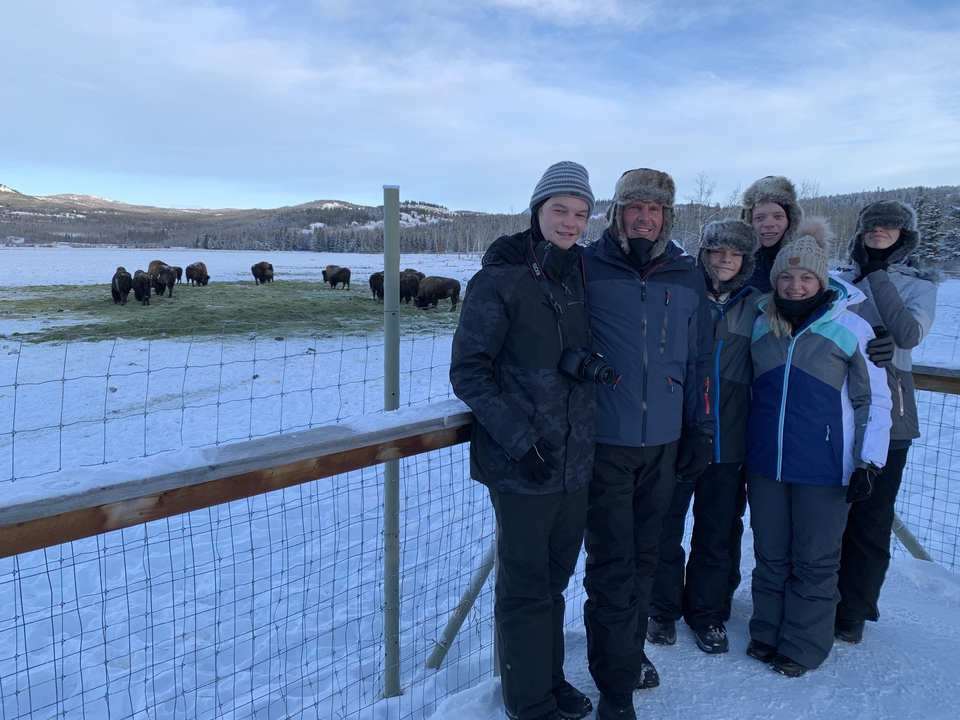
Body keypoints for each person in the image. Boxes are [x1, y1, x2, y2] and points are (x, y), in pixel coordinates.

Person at [483, 167, 715, 720]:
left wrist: (702, 427)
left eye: (654, 209)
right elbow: (534, 277)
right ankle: (614, 689)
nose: (643, 216)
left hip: (663, 445)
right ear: (616, 214)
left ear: (667, 217)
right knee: (611, 567)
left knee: (645, 561)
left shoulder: (687, 276)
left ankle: (627, 660)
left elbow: (702, 360)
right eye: (633, 207)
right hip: (601, 445)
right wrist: (507, 249)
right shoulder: (587, 266)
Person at [450, 161, 598, 720]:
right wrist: (518, 440)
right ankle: (529, 701)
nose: (570, 221)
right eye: (559, 209)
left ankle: (550, 679)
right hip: (524, 464)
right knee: (525, 587)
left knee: (556, 582)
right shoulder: (500, 279)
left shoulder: (581, 273)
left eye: (581, 213)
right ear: (537, 210)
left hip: (576, 460)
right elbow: (469, 371)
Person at [744, 218, 892, 677]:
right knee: (770, 555)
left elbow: (875, 399)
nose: (795, 284)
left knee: (815, 559)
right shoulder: (761, 325)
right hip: (767, 463)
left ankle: (804, 645)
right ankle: (766, 632)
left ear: (821, 280)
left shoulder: (851, 328)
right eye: (786, 276)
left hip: (826, 466)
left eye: (806, 276)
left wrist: (869, 459)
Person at [647, 219, 760, 654]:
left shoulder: (759, 306)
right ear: (705, 255)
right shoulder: (684, 296)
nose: (725, 259)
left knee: (716, 532)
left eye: (735, 253)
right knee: (665, 528)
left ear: (746, 260)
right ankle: (662, 609)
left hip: (729, 442)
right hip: (678, 436)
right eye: (717, 251)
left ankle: (708, 614)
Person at [834, 200, 938, 644]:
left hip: (892, 413)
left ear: (905, 234)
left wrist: (876, 273)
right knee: (831, 510)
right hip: (838, 408)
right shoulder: (839, 276)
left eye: (891, 226)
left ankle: (853, 610)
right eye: (873, 226)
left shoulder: (919, 285)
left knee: (872, 517)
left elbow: (910, 334)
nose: (880, 231)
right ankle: (820, 597)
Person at [740, 176, 803, 292]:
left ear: (791, 221)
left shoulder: (808, 260)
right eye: (760, 217)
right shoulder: (734, 262)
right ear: (749, 223)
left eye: (778, 216)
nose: (769, 224)